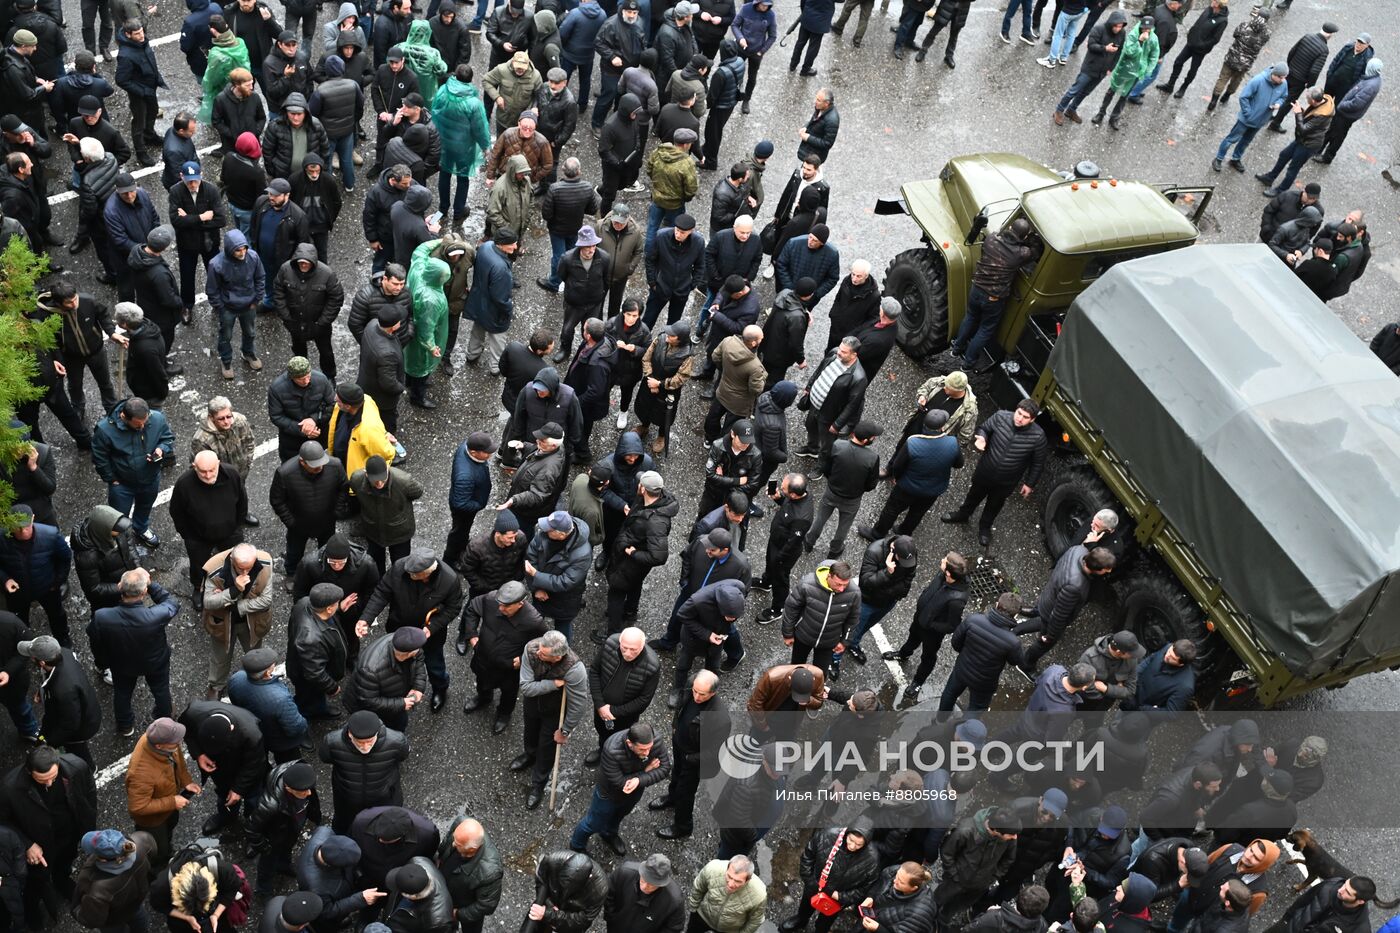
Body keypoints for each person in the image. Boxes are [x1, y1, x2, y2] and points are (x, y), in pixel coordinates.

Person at [0, 745, 96, 928]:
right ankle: (32, 910)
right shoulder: (9, 790)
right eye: (42, 780)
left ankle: (61, 880)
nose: (49, 785)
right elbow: (3, 824)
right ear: (29, 772)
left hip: (68, 834)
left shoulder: (76, 766)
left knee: (65, 860)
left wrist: (88, 825)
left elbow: (89, 793)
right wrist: (27, 844)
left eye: (53, 778)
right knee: (35, 882)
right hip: (39, 846)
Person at [942, 398, 1047, 548]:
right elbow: (984, 428)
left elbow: (1038, 463)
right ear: (1016, 410)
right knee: (973, 495)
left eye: (1025, 417)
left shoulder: (1038, 437)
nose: (1019, 419)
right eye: (1019, 413)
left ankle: (984, 527)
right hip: (985, 472)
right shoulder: (1000, 417)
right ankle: (963, 514)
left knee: (994, 504)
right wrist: (982, 438)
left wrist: (1030, 484)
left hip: (1006, 481)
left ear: (1033, 419)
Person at [88, 568, 179, 736]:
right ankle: (164, 717)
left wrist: (103, 662)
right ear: (144, 592)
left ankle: (125, 726)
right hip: (155, 662)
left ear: (120, 586)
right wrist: (151, 584)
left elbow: (95, 639)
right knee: (161, 690)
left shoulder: (102, 617)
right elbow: (172, 603)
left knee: (122, 693)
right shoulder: (156, 615)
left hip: (122, 664)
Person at [947, 218, 1039, 369]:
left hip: (976, 288)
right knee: (985, 329)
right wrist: (1032, 238)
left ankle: (956, 349)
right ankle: (968, 362)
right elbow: (1035, 252)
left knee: (970, 317)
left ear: (1010, 227)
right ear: (1023, 237)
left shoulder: (991, 239)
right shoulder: (1020, 254)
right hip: (993, 298)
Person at [569, 722, 672, 855]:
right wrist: (645, 772)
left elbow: (665, 768)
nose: (647, 753)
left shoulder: (655, 740)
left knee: (619, 815)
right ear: (630, 744)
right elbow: (620, 783)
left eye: (649, 748)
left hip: (635, 791)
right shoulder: (612, 749)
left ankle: (608, 834)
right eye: (642, 749)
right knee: (593, 823)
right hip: (608, 794)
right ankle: (576, 845)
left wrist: (639, 780)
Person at [513, 632, 590, 811]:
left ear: (557, 657)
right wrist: (553, 684)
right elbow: (526, 687)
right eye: (540, 649)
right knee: (530, 733)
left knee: (547, 747)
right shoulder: (531, 648)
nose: (539, 654)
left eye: (544, 654)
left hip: (554, 712)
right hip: (533, 704)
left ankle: (538, 783)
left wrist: (565, 730)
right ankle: (530, 755)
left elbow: (578, 705)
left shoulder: (575, 669)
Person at [1015, 545, 1116, 669]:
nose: (1108, 572)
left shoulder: (1078, 549)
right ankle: (1026, 664)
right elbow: (1058, 616)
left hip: (1048, 596)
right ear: (1097, 569)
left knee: (1040, 620)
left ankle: (1014, 631)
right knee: (1043, 643)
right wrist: (1050, 636)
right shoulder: (1075, 586)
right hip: (1051, 609)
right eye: (1106, 570)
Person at [602, 476, 679, 636]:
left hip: (631, 562)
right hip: (635, 565)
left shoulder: (655, 522)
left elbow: (659, 557)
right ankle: (630, 611)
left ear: (643, 488)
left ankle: (612, 634)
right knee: (635, 583)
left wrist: (634, 553)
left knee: (616, 592)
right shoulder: (653, 499)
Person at [91, 397, 173, 547]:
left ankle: (141, 528)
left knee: (145, 506)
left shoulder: (157, 419)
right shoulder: (104, 430)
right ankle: (120, 541)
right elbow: (99, 457)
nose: (142, 427)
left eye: (145, 422)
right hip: (122, 485)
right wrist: (111, 479)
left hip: (150, 478)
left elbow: (167, 438)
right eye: (137, 425)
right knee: (118, 516)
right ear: (123, 416)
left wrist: (162, 449)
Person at [201, 542, 276, 699]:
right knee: (220, 656)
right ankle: (216, 685)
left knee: (254, 652)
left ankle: (257, 679)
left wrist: (235, 606)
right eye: (240, 568)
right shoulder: (215, 568)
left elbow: (266, 600)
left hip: (253, 622)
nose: (245, 572)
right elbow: (208, 602)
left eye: (249, 567)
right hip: (223, 622)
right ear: (232, 561)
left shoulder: (265, 562)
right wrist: (234, 591)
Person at [318, 710, 410, 833]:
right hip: (347, 803)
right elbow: (325, 757)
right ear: (350, 735)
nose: (366, 747)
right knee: (344, 829)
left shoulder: (397, 742)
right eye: (360, 742)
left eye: (370, 741)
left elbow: (403, 755)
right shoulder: (332, 742)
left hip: (384, 801)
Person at [0, 506, 72, 653]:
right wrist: (5, 579)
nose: (22, 532)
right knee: (19, 621)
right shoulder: (1, 538)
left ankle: (64, 643)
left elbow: (65, 558)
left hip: (47, 588)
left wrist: (57, 582)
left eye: (26, 527)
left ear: (33, 518)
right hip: (17, 591)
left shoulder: (50, 535)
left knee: (57, 615)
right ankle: (23, 647)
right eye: (17, 528)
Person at [806, 421, 881, 561]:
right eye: (873, 437)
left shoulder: (838, 445)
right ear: (866, 440)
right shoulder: (872, 458)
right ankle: (834, 550)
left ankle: (809, 541)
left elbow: (827, 468)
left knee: (820, 518)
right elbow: (871, 484)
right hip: (852, 500)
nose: (874, 439)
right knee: (843, 526)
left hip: (832, 492)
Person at [227, 647, 309, 764]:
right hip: (280, 742)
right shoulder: (280, 699)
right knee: (288, 762)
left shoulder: (236, 679)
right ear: (267, 672)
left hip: (255, 731)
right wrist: (304, 724)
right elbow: (295, 727)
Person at [523, 510, 592, 642]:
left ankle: (564, 656)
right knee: (533, 623)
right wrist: (536, 588)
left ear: (561, 534)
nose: (544, 529)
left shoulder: (582, 554)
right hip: (540, 593)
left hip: (564, 600)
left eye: (549, 529)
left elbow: (566, 582)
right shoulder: (543, 534)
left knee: (563, 629)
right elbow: (530, 558)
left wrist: (536, 576)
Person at [1255, 87, 1334, 196]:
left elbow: (1303, 129)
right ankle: (1270, 178)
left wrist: (1298, 114)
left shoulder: (1321, 115)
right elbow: (1308, 119)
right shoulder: (1322, 101)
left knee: (1293, 169)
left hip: (1308, 144)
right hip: (1303, 139)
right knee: (1284, 155)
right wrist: (1301, 111)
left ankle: (1281, 191)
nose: (1306, 99)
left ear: (1314, 101)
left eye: (1307, 98)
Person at [1213, 63, 1290, 172]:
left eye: (1284, 78)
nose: (1283, 80)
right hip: (1246, 120)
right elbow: (1244, 97)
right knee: (1231, 139)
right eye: (1281, 78)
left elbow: (1284, 96)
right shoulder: (1258, 80)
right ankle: (1218, 158)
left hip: (1261, 121)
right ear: (1274, 75)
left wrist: (1278, 103)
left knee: (1246, 141)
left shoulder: (1283, 83)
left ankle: (1236, 158)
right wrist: (1248, 114)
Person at [434, 818, 503, 933]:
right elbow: (446, 843)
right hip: (448, 892)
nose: (453, 844)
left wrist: (458, 914)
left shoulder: (490, 873)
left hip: (463, 906)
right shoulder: (462, 824)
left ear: (471, 850)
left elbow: (486, 905)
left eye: (458, 844)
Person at [524, 851, 608, 933]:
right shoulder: (553, 861)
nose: (566, 890)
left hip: (569, 920)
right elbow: (541, 881)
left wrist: (550, 915)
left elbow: (583, 920)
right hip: (549, 905)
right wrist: (549, 905)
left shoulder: (599, 890)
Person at [687, 856, 767, 933]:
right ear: (727, 868)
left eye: (737, 881)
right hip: (703, 916)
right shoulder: (712, 869)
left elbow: (755, 920)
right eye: (729, 876)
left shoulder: (759, 894)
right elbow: (698, 888)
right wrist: (693, 908)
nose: (731, 884)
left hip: (729, 930)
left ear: (747, 880)